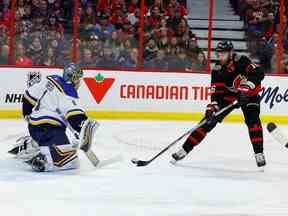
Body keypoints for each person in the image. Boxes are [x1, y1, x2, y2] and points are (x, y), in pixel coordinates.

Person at [171, 41, 266, 168]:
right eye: (218, 53)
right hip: (229, 95)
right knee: (208, 121)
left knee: (252, 119)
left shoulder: (241, 60)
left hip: (250, 93)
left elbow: (259, 72)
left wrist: (246, 88)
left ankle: (259, 153)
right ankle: (184, 149)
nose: (219, 56)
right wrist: (213, 106)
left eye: (223, 53)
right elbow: (216, 91)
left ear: (230, 53)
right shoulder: (217, 70)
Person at [8, 63, 98, 172]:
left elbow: (29, 95)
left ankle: (31, 144)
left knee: (56, 144)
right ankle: (44, 161)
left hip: (33, 127)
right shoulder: (69, 92)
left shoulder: (50, 80)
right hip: (51, 129)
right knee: (72, 160)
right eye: (78, 79)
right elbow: (75, 117)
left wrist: (26, 113)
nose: (79, 82)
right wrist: (83, 128)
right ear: (72, 78)